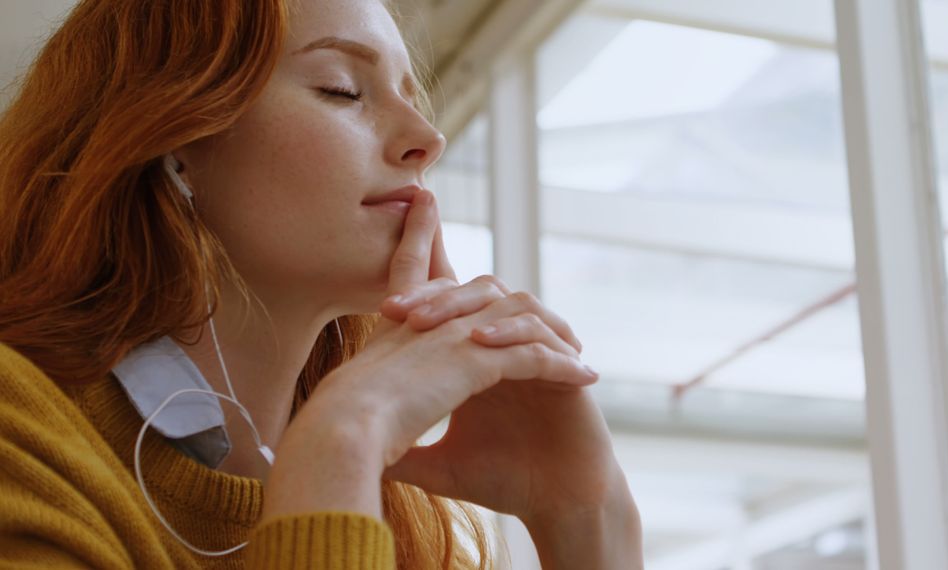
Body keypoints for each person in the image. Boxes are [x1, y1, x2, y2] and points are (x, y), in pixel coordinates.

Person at [0, 0, 644, 568]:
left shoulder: (402, 520)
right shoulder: (19, 438)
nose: (429, 139)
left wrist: (589, 519)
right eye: (343, 89)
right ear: (174, 138)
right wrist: (342, 440)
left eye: (412, 97)